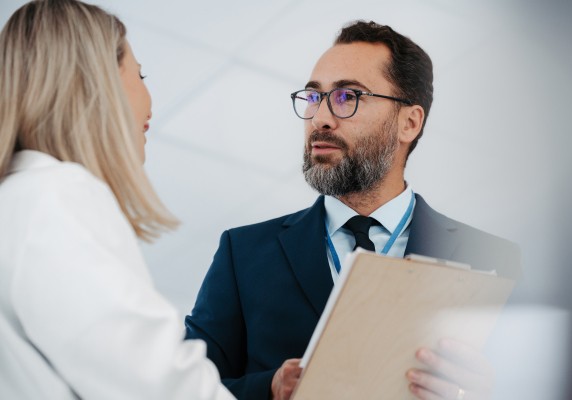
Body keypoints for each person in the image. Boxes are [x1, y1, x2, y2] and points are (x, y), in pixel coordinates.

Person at [185, 20, 522, 400]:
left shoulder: (492, 260)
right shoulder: (243, 253)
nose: (320, 119)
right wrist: (270, 388)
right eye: (314, 98)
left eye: (348, 97)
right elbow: (178, 388)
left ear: (408, 123)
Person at [0, 1, 234, 399]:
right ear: (96, 81)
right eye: (139, 74)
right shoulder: (56, 195)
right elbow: (155, 382)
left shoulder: (18, 201)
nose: (149, 99)